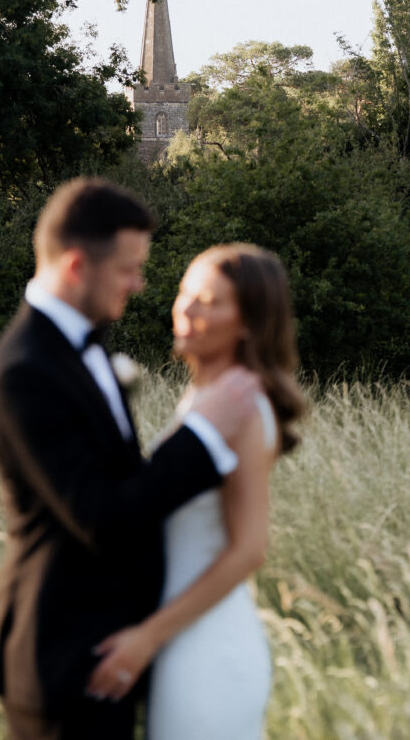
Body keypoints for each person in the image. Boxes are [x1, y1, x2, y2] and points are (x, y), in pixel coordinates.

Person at [0, 180, 260, 740]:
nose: (139, 283)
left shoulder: (84, 344)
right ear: (78, 265)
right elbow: (102, 518)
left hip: (108, 655)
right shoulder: (24, 374)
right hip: (61, 661)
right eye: (128, 269)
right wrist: (203, 434)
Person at [87, 243, 306, 739]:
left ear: (248, 322)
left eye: (209, 301)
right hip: (180, 640)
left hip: (207, 648)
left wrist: (146, 638)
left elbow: (248, 549)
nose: (186, 307)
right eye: (186, 293)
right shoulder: (205, 396)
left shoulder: (242, 405)